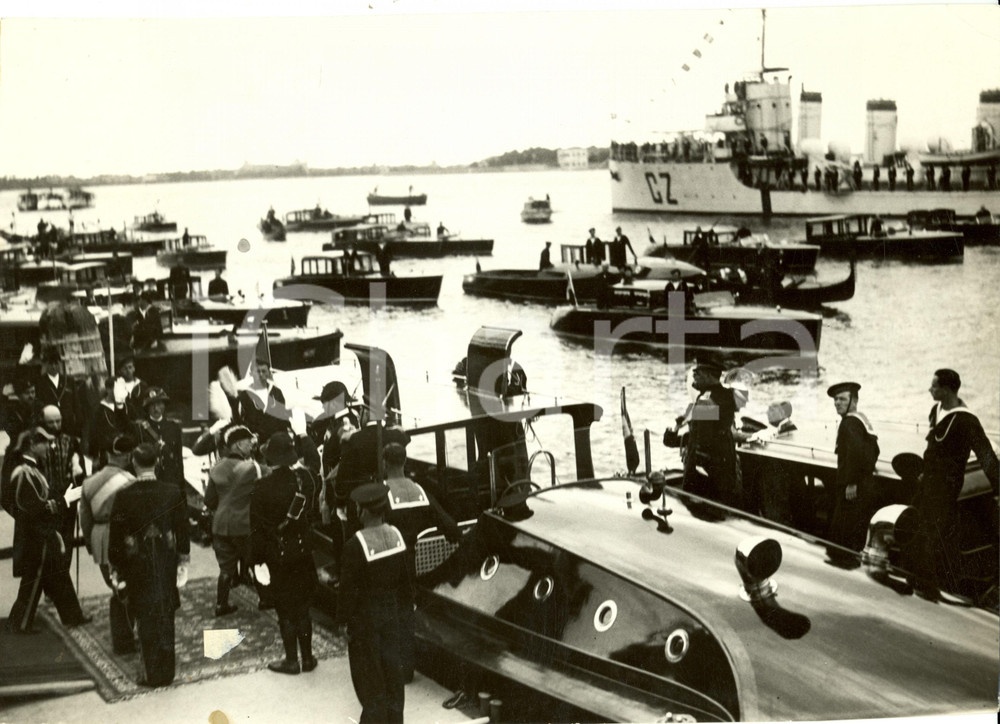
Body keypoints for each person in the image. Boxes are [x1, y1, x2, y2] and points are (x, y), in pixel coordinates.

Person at [910, 369, 998, 601]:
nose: (930, 389)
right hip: (927, 486)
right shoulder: (936, 411)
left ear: (947, 390)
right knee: (916, 529)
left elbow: (986, 456)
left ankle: (936, 588)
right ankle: (919, 581)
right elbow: (932, 448)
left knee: (936, 539)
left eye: (934, 386)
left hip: (945, 492)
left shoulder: (966, 421)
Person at [108, 443, 190, 686]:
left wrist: (117, 565)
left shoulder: (123, 495)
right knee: (165, 611)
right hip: (165, 560)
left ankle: (152, 673)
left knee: (144, 613)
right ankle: (167, 671)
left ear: (133, 463)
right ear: (157, 462)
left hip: (136, 562)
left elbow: (116, 535)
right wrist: (183, 559)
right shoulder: (172, 491)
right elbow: (183, 529)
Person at [382, 442, 459, 681]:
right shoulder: (419, 491)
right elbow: (450, 528)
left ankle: (389, 667)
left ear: (384, 463)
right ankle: (406, 669)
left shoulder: (381, 492)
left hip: (384, 561)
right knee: (405, 613)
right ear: (405, 462)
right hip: (409, 561)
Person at [338, 483, 412, 723]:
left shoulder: (354, 545)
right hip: (392, 616)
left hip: (365, 621)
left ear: (364, 511)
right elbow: (406, 583)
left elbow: (347, 590)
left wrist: (343, 621)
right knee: (393, 674)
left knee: (369, 680)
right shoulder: (396, 537)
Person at [7, 429, 90, 633]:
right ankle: (20, 623)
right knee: (35, 579)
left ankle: (72, 616)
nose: (49, 447)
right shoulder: (24, 473)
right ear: (32, 445)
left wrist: (64, 495)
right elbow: (36, 508)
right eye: (44, 443)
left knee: (58, 573)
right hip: (39, 535)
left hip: (43, 533)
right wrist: (64, 500)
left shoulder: (32, 469)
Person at [250, 432, 318, 675]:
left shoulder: (261, 487)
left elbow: (256, 528)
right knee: (303, 607)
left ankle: (291, 660)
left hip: (277, 553)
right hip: (302, 550)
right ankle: (308, 658)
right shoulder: (304, 481)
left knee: (284, 609)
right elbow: (311, 512)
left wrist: (256, 560)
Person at [79, 434, 137, 653]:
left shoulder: (89, 483)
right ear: (128, 456)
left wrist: (90, 543)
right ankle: (126, 637)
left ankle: (122, 638)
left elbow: (85, 520)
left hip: (100, 537)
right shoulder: (130, 481)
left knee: (116, 587)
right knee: (128, 586)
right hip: (124, 538)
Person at [205, 425, 266, 617]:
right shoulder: (253, 468)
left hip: (220, 525)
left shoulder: (217, 467)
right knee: (255, 561)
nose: (251, 446)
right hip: (243, 524)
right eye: (248, 443)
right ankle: (265, 599)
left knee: (226, 568)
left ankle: (221, 604)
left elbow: (209, 500)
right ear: (238, 445)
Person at [825, 382, 881, 561]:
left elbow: (855, 453)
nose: (837, 403)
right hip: (865, 484)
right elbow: (874, 451)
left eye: (842, 399)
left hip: (852, 489)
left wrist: (851, 482)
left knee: (843, 532)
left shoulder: (849, 423)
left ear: (854, 401)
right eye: (835, 400)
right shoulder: (862, 420)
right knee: (857, 530)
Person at [679, 360, 742, 509]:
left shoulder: (705, 401)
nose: (694, 378)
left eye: (698, 374)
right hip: (726, 457)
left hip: (707, 463)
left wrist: (699, 469)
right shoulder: (728, 395)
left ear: (708, 376)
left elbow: (703, 440)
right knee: (722, 498)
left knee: (699, 502)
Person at [38, 405, 85, 571]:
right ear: (43, 422)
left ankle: (64, 575)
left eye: (58, 421)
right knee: (49, 544)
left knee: (66, 540)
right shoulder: (38, 443)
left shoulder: (70, 441)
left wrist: (77, 483)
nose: (55, 425)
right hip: (46, 498)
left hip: (67, 498)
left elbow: (80, 473)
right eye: (50, 422)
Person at [131, 387, 186, 504]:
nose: (156, 408)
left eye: (159, 404)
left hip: (170, 479)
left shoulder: (173, 427)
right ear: (147, 408)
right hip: (151, 479)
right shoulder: (140, 429)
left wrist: (181, 488)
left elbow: (178, 459)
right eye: (152, 405)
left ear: (164, 405)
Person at [236, 358, 291, 441]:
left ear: (269, 373)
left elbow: (283, 416)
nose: (261, 374)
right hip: (257, 441)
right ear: (251, 373)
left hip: (279, 439)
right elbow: (241, 421)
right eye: (258, 371)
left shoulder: (276, 392)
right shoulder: (244, 396)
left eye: (264, 371)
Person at [87, 376, 131, 472]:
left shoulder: (127, 406)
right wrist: (95, 456)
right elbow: (93, 434)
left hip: (126, 453)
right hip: (106, 454)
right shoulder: (98, 409)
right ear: (108, 389)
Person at [35, 346, 80, 437]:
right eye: (50, 364)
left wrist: (78, 426)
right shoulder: (40, 382)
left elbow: (76, 404)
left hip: (68, 424)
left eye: (56, 363)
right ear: (45, 364)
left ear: (60, 363)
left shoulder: (69, 381)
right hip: (50, 425)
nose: (54, 367)